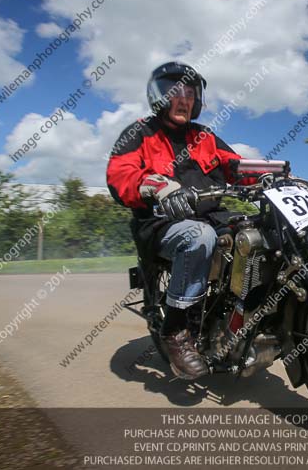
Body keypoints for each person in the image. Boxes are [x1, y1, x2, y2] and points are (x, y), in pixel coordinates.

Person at [106, 61, 250, 380]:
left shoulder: (205, 137)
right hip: (160, 224)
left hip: (213, 216)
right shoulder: (139, 132)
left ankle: (244, 313)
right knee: (198, 236)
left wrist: (275, 175)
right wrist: (155, 186)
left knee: (258, 233)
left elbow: (237, 167)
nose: (183, 98)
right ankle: (175, 331)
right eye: (175, 92)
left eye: (189, 92)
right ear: (158, 95)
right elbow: (120, 176)